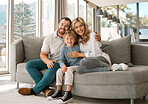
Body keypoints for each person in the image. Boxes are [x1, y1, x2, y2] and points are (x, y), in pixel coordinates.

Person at [18, 17, 101, 97]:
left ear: (69, 28)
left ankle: (34, 90)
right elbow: (43, 54)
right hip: (50, 60)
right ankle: (46, 89)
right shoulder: (50, 37)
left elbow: (84, 35)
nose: (63, 27)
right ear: (58, 24)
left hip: (61, 62)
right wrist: (48, 61)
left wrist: (97, 37)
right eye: (62, 24)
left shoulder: (72, 37)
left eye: (66, 26)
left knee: (54, 67)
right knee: (29, 64)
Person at [47, 30, 82, 103]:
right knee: (59, 71)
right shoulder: (64, 48)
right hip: (69, 66)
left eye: (72, 38)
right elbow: (61, 59)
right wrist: (63, 65)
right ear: (64, 40)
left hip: (77, 66)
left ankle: (68, 93)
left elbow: (82, 57)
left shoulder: (78, 47)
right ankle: (59, 90)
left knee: (68, 70)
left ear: (75, 39)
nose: (69, 40)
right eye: (67, 39)